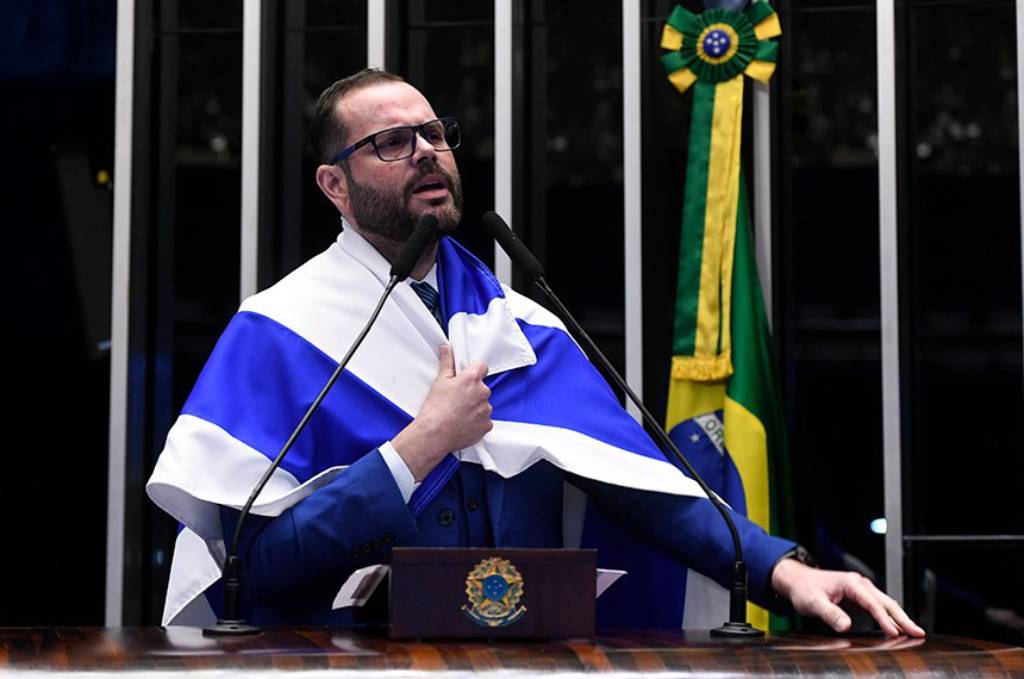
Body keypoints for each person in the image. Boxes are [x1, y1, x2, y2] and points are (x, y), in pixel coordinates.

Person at [147, 69, 924, 638]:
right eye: (392, 141)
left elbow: (642, 489)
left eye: (435, 132)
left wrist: (784, 570)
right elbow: (257, 565)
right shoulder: (278, 331)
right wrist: (418, 447)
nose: (427, 151)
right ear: (335, 185)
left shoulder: (523, 326)